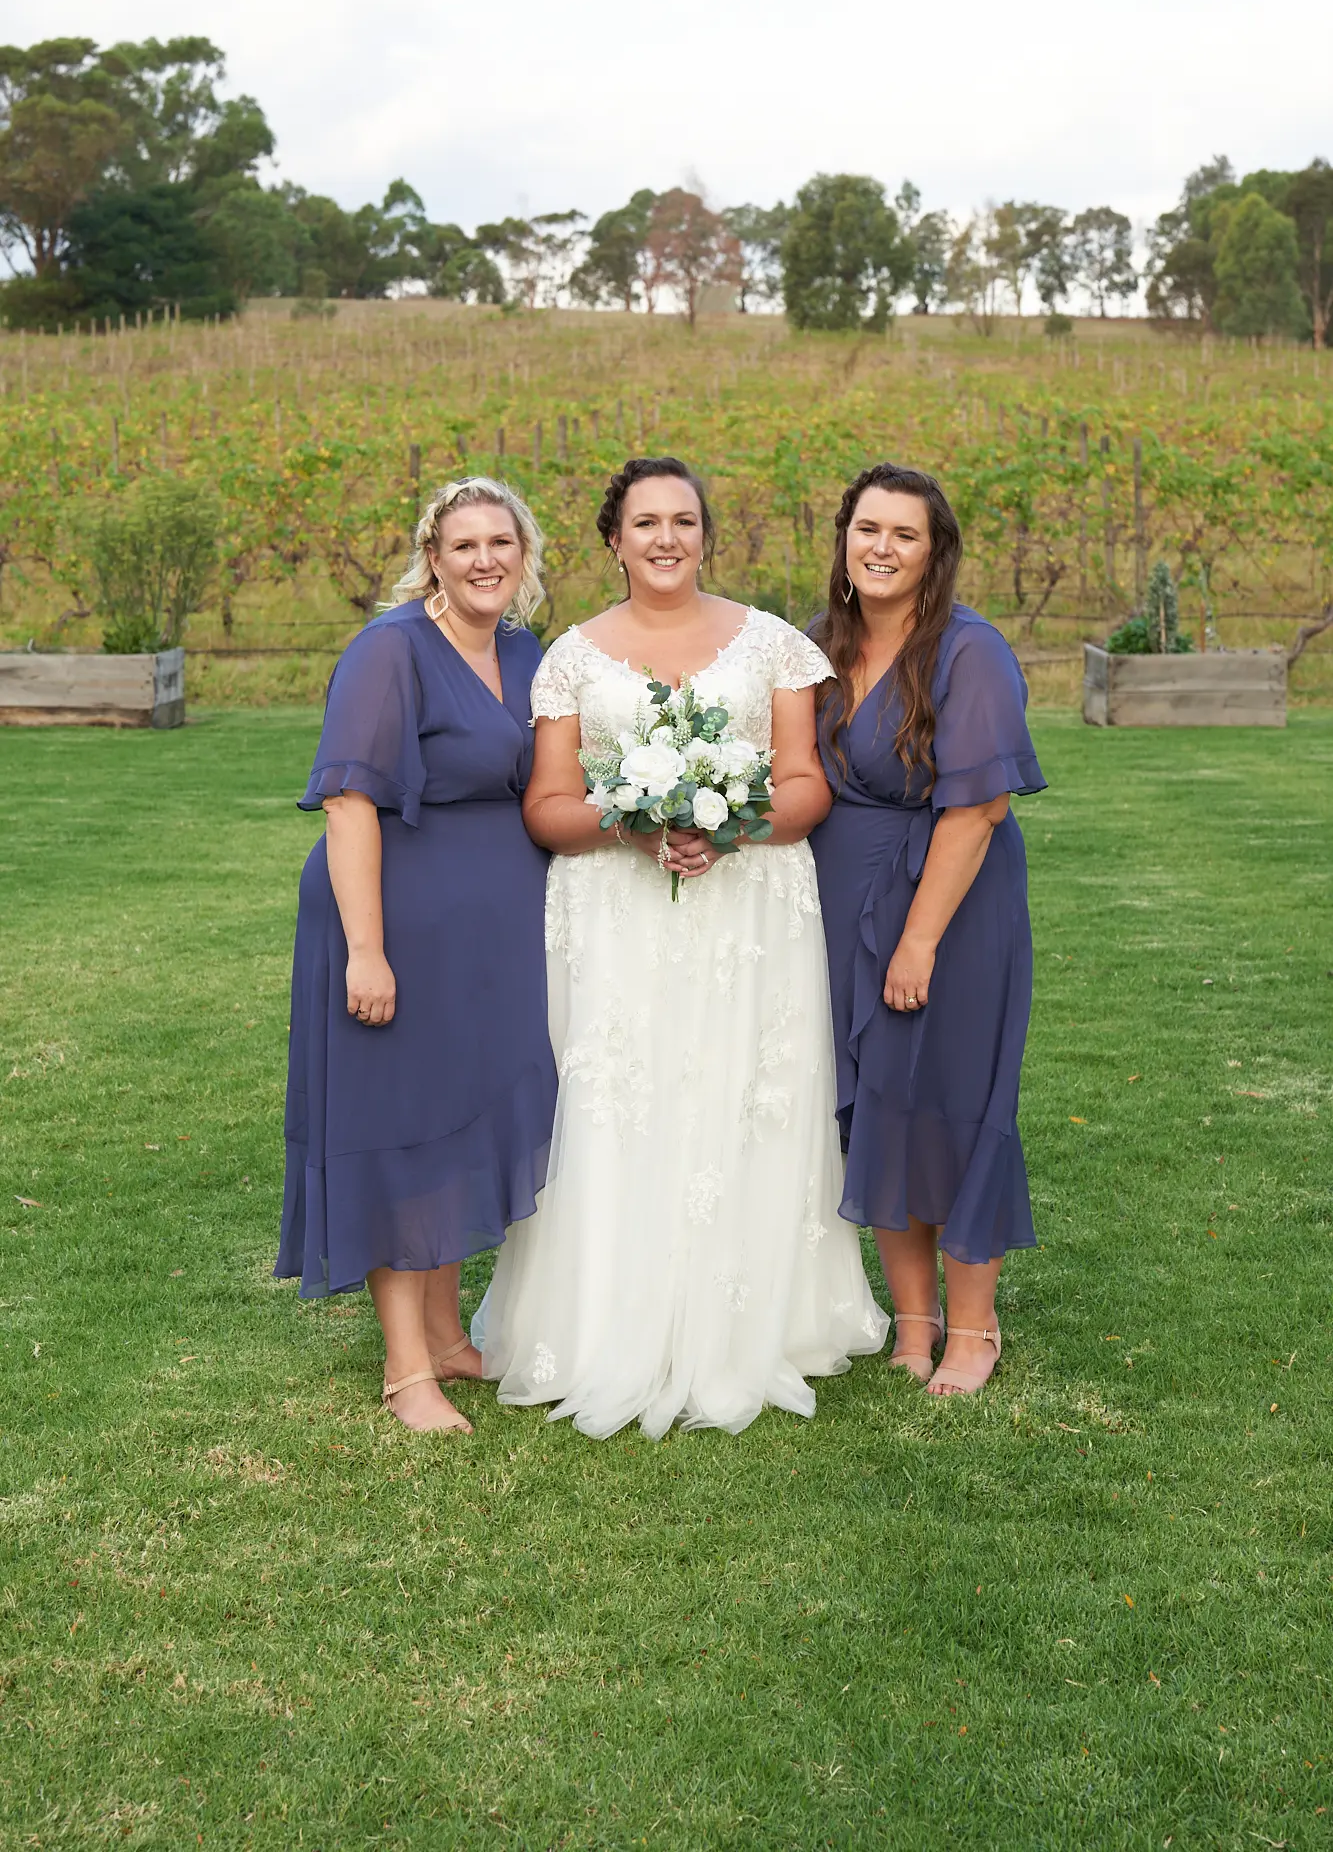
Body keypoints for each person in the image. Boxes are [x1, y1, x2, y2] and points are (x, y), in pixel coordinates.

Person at [474, 456, 887, 1438]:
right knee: (623, 1100)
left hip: (749, 911)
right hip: (617, 915)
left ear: (705, 536)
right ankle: (606, 1319)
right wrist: (631, 821)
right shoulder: (571, 657)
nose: (666, 538)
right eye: (646, 522)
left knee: (746, 1092)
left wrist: (727, 825)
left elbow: (805, 783)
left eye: (684, 521)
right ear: (613, 541)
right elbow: (547, 806)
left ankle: (761, 1316)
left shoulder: (774, 643)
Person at [276, 478, 557, 1433]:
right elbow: (350, 801)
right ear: (431, 557)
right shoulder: (388, 650)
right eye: (463, 544)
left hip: (489, 934)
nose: (485, 560)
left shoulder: (523, 651)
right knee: (400, 1127)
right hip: (395, 920)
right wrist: (366, 950)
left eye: (500, 543)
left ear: (524, 554)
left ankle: (443, 1336)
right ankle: (405, 1372)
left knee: (457, 1124)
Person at [808, 463, 1046, 1397]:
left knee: (950, 1101)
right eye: (867, 529)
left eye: (903, 534)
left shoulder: (967, 651)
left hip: (949, 906)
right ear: (844, 538)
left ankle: (973, 1328)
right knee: (877, 1103)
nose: (881, 548)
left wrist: (918, 940)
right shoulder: (818, 643)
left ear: (933, 551)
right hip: (842, 901)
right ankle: (914, 1322)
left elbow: (977, 809)